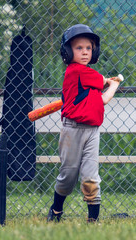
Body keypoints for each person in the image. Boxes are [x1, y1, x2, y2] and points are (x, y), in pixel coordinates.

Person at [47, 24, 121, 223]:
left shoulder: (87, 78)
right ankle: (56, 210)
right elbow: (102, 82)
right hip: (72, 130)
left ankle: (93, 220)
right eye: (79, 48)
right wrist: (113, 83)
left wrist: (109, 84)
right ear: (68, 51)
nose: (85, 52)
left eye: (88, 48)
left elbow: (103, 99)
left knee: (90, 177)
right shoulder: (76, 72)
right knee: (68, 177)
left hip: (92, 131)